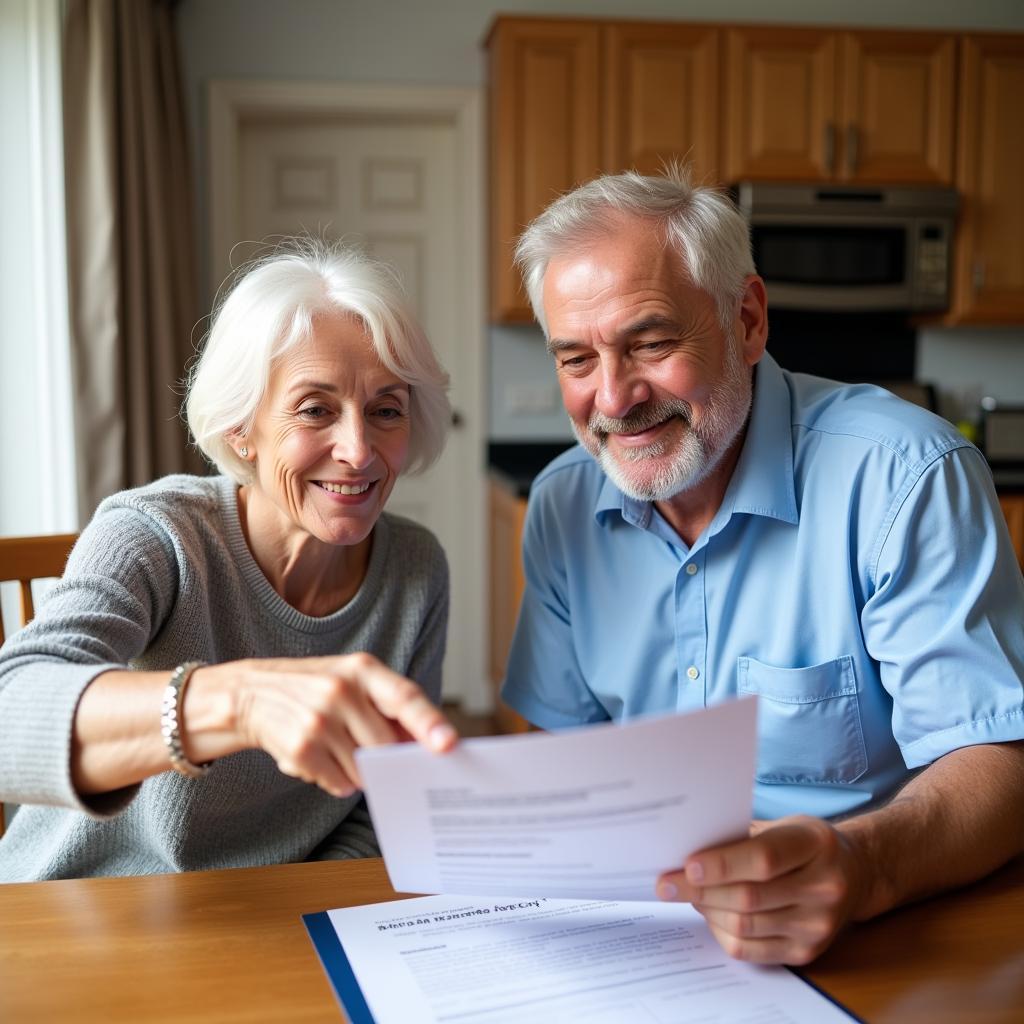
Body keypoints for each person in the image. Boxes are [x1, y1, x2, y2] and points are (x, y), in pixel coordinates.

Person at [503, 167, 1024, 965]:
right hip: (644, 940)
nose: (612, 398)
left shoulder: (904, 475)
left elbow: (997, 765)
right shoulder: (563, 505)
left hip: (877, 932)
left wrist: (863, 867)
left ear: (746, 320)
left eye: (649, 343)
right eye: (576, 360)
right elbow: (558, 748)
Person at [0, 239, 459, 882]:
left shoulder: (415, 569)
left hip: (267, 922)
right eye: (315, 409)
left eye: (386, 410)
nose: (358, 449)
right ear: (243, 427)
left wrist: (304, 909)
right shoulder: (156, 535)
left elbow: (385, 796)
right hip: (77, 914)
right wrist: (238, 702)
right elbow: (9, 717)